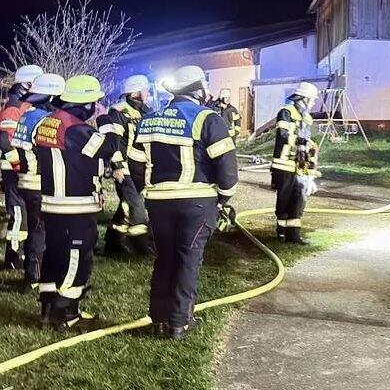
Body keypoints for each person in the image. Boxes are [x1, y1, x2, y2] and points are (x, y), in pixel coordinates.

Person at [130, 65, 238, 339]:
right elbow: (226, 166)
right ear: (198, 89)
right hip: (197, 203)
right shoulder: (208, 119)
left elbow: (136, 163)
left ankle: (159, 320)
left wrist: (148, 189)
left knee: (164, 259)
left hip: (158, 203)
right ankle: (180, 322)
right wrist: (224, 197)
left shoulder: (149, 120)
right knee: (187, 260)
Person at [34, 75, 122, 330]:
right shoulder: (77, 129)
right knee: (77, 257)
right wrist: (106, 119)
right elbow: (110, 146)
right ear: (84, 104)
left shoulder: (47, 123)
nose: (96, 107)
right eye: (94, 103)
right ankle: (67, 313)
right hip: (75, 205)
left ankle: (48, 307)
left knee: (53, 255)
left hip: (51, 204)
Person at [9, 73, 65, 292]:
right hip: (41, 184)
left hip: (26, 182)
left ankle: (31, 276)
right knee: (42, 232)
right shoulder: (44, 121)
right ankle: (37, 277)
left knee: (34, 231)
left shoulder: (26, 116)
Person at [98, 74, 153, 256]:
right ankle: (141, 247)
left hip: (142, 168)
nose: (147, 92)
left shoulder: (146, 111)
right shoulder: (119, 112)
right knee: (136, 208)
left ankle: (112, 244)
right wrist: (117, 167)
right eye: (145, 89)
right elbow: (114, 142)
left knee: (125, 206)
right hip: (125, 168)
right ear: (136, 92)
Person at [1, 64, 43, 271]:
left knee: (25, 214)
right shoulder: (13, 108)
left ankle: (22, 252)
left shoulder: (23, 106)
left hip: (22, 168)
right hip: (12, 169)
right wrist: (18, 165)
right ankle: (12, 256)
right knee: (18, 213)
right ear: (27, 84)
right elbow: (5, 140)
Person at [271, 82, 318, 244]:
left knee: (299, 200)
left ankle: (294, 235)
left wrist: (310, 166)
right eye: (311, 100)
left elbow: (306, 145)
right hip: (283, 165)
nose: (313, 104)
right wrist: (301, 139)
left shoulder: (307, 118)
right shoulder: (286, 113)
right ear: (303, 99)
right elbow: (283, 136)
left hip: (300, 167)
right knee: (284, 199)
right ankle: (281, 231)